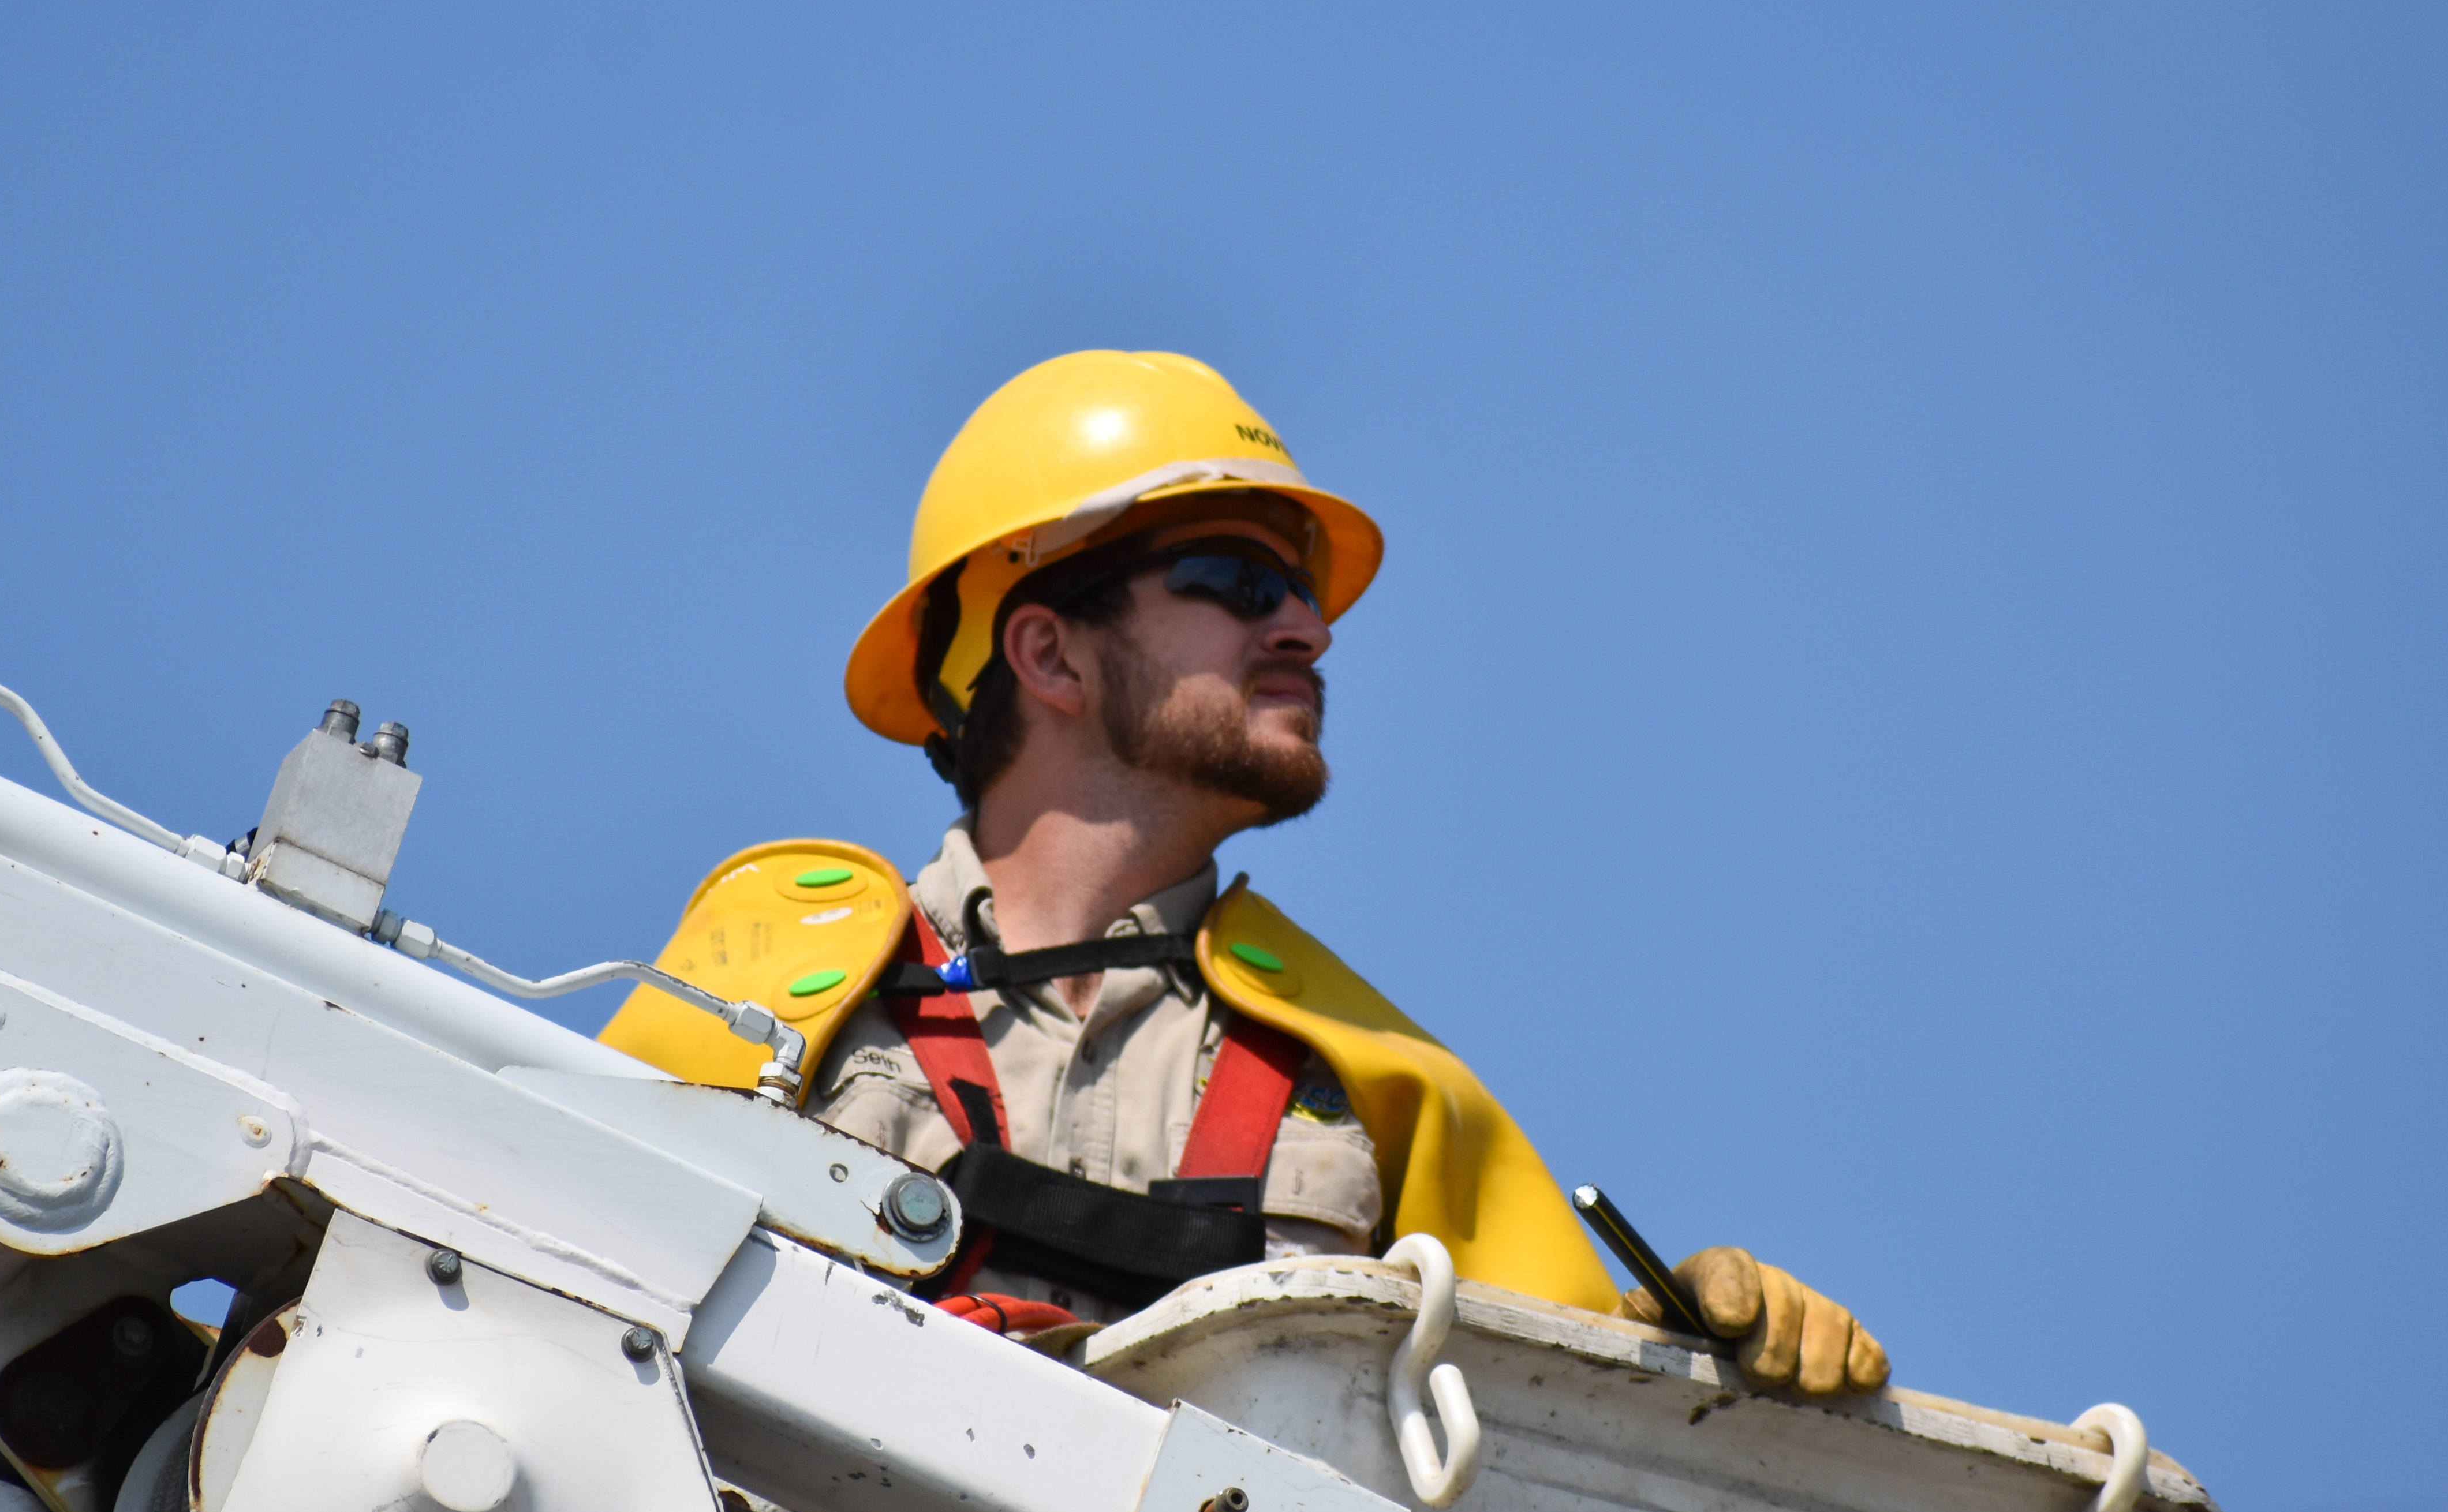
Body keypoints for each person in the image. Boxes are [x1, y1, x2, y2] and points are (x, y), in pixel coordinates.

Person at [602, 350, 1885, 1394]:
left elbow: (1581, 1441)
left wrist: (1717, 1357)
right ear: (1048, 651)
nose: (1310, 628)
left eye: (1305, 590)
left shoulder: (1371, 1086)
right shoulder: (767, 1006)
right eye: (1236, 577)